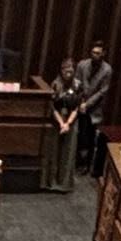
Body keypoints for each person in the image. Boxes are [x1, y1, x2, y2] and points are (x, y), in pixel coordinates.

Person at [40, 58, 81, 192]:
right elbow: (53, 108)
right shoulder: (55, 84)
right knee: (54, 151)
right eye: (65, 68)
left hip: (71, 121)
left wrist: (68, 123)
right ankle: (51, 182)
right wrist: (61, 123)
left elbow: (77, 107)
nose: (67, 71)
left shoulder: (78, 85)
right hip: (57, 120)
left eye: (70, 68)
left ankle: (64, 184)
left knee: (68, 152)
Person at [73, 40, 112, 176]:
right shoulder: (82, 65)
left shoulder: (107, 70)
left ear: (103, 54)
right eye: (93, 52)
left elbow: (102, 91)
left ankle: (86, 165)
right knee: (77, 134)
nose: (95, 55)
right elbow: (76, 83)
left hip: (94, 109)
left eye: (98, 53)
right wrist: (80, 101)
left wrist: (87, 104)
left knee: (89, 137)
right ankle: (75, 162)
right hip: (80, 104)